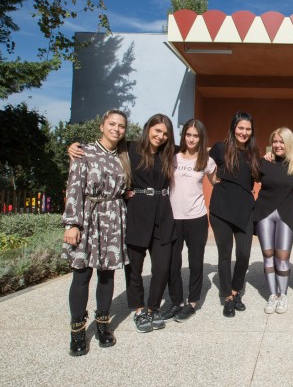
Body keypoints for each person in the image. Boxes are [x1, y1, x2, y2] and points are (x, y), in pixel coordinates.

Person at [69, 113, 176, 334]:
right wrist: (72, 147)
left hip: (163, 213)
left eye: (165, 133)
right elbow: (100, 148)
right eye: (157, 130)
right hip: (136, 212)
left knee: (162, 267)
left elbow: (196, 148)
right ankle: (139, 310)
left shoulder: (169, 152)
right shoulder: (129, 148)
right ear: (148, 128)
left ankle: (153, 307)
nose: (160, 136)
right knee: (133, 268)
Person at [63, 109, 131, 356]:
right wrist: (72, 224)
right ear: (102, 126)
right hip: (88, 217)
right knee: (81, 274)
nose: (116, 129)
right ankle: (77, 330)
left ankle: (103, 324)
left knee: (107, 274)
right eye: (112, 124)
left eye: (121, 126)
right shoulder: (84, 152)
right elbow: (74, 188)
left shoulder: (124, 155)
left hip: (113, 217)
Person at [161, 119, 217, 322]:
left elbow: (218, 182)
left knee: (195, 263)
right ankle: (176, 302)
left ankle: (192, 302)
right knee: (172, 263)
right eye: (188, 135)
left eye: (196, 136)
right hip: (173, 218)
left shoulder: (206, 161)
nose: (192, 139)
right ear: (183, 135)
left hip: (197, 218)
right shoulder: (172, 157)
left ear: (201, 138)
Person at [209, 111, 261, 318]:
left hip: (245, 209)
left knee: (244, 254)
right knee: (224, 254)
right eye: (241, 128)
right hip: (221, 208)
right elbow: (203, 164)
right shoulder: (220, 148)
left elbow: (260, 174)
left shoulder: (253, 153)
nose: (244, 132)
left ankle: (236, 289)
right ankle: (227, 296)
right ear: (233, 128)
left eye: (248, 129)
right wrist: (212, 180)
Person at [254, 127, 293, 314]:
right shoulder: (264, 163)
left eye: (282, 141)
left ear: (289, 143)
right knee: (267, 255)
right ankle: (273, 295)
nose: (277, 145)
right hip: (264, 213)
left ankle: (283, 295)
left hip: (286, 215)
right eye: (275, 141)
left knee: (282, 258)